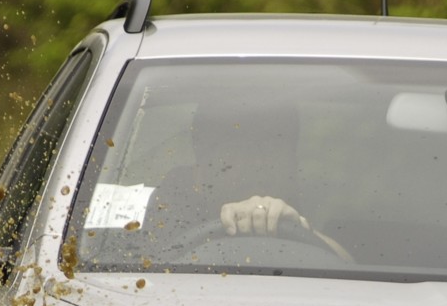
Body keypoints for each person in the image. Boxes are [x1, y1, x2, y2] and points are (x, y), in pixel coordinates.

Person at [139, 101, 349, 257]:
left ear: (293, 161)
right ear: (203, 163)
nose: (258, 161)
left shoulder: (326, 204)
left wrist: (301, 229)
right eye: (240, 147)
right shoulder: (170, 209)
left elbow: (354, 272)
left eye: (272, 144)